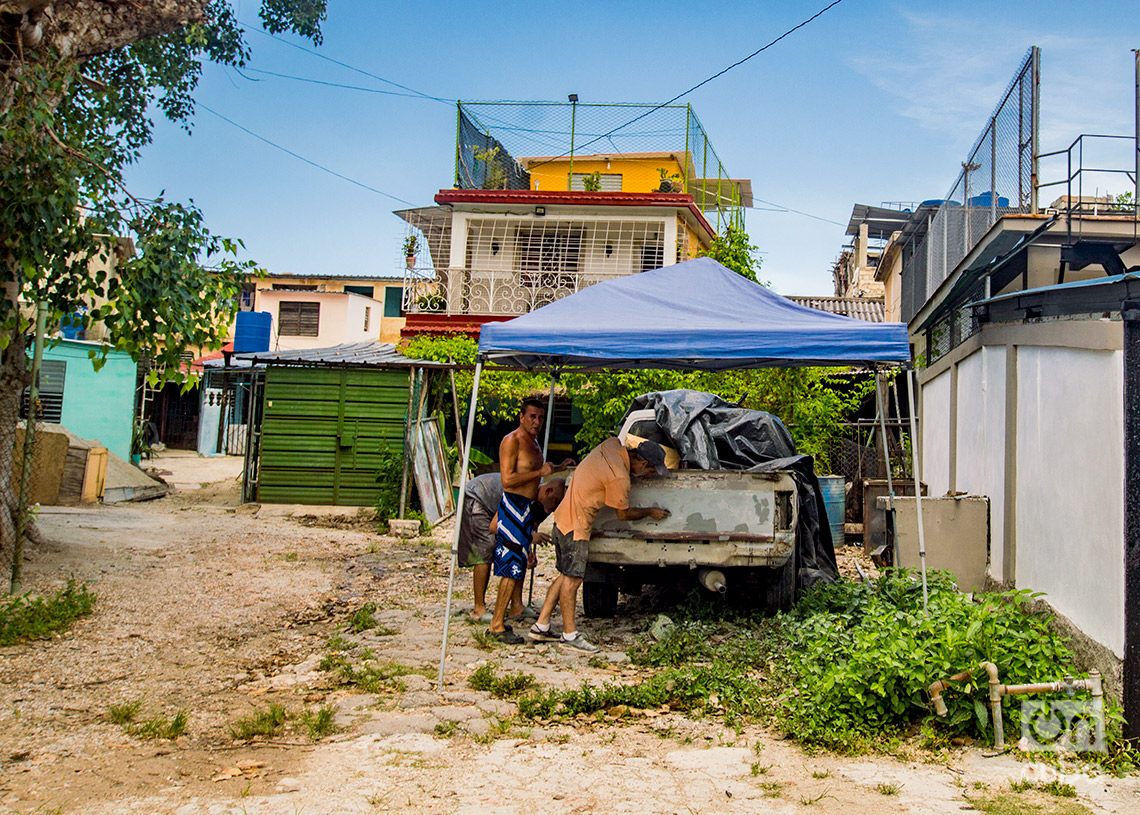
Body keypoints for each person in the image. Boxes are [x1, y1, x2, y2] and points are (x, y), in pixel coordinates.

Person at [529, 437, 670, 652]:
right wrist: (650, 512)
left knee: (565, 576)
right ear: (642, 463)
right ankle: (569, 635)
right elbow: (623, 514)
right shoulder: (619, 478)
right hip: (576, 527)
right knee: (573, 580)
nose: (648, 475)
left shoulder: (611, 445)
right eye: (650, 470)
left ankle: (541, 625)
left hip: (562, 520)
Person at [487, 398, 574, 644]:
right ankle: (495, 625)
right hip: (513, 505)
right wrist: (541, 473)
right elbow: (508, 480)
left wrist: (557, 468)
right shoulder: (511, 441)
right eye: (532, 417)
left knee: (520, 565)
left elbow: (536, 473)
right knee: (511, 565)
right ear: (522, 417)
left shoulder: (534, 442)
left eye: (540, 418)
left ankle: (505, 616)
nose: (537, 422)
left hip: (526, 508)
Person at [457, 472, 565, 622]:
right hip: (478, 496)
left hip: (495, 507)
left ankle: (516, 606)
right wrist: (529, 537)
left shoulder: (542, 505)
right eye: (555, 501)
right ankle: (479, 609)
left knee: (518, 552)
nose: (554, 507)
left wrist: (527, 551)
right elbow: (496, 526)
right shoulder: (523, 493)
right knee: (485, 548)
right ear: (547, 492)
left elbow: (526, 528)